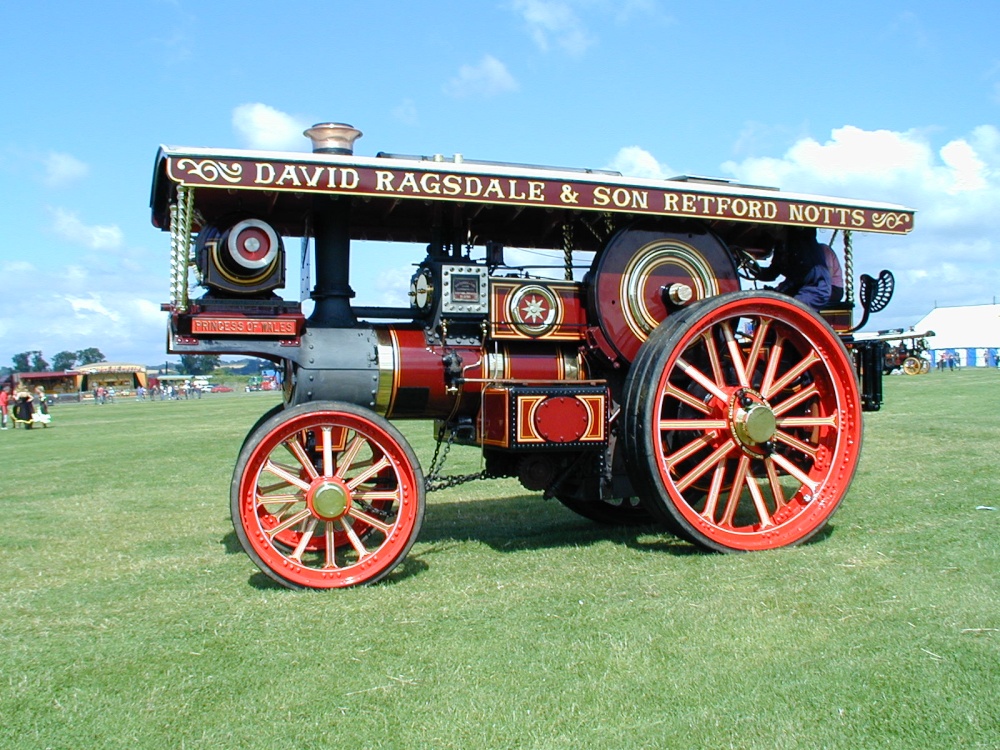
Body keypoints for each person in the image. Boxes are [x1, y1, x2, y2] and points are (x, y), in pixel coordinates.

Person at [753, 227, 832, 310]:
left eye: (772, 227)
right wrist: (753, 269)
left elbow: (800, 274)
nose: (769, 231)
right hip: (796, 288)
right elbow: (772, 273)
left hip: (814, 289)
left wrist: (781, 291)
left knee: (787, 309)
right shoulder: (780, 247)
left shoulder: (803, 240)